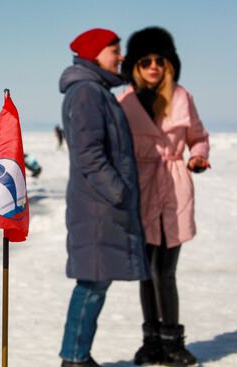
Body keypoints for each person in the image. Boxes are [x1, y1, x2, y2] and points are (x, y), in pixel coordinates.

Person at [119, 27, 210, 367]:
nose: (153, 66)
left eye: (160, 60)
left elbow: (198, 137)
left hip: (174, 186)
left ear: (169, 64)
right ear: (136, 66)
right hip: (139, 187)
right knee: (146, 269)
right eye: (146, 60)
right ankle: (150, 342)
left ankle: (173, 342)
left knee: (165, 270)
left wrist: (198, 155)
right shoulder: (124, 100)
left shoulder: (183, 97)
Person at [58, 28, 150, 367]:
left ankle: (78, 356)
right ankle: (74, 358)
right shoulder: (86, 93)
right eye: (115, 50)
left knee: (96, 282)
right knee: (92, 283)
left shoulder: (96, 91)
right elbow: (88, 153)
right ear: (96, 54)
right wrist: (118, 192)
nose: (121, 56)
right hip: (98, 207)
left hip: (101, 205)